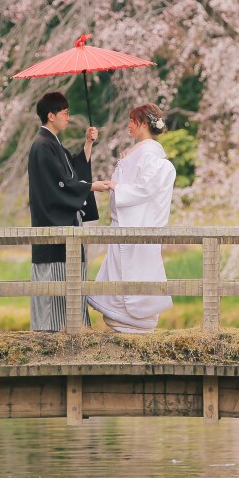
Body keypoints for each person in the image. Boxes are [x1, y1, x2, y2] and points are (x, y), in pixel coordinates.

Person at [88, 102, 177, 334]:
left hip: (136, 224)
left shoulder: (150, 156)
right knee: (122, 270)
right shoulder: (142, 152)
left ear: (144, 124)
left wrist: (118, 187)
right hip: (126, 224)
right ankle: (125, 318)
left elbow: (145, 188)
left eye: (132, 120)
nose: (128, 125)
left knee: (135, 270)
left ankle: (135, 320)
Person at [27, 91, 113, 331]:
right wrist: (91, 186)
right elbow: (60, 184)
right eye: (65, 113)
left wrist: (88, 143)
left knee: (70, 276)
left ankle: (72, 326)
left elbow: (72, 172)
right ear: (51, 115)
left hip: (64, 222)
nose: (68, 117)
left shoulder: (52, 145)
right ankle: (53, 329)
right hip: (52, 223)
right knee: (56, 277)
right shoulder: (43, 146)